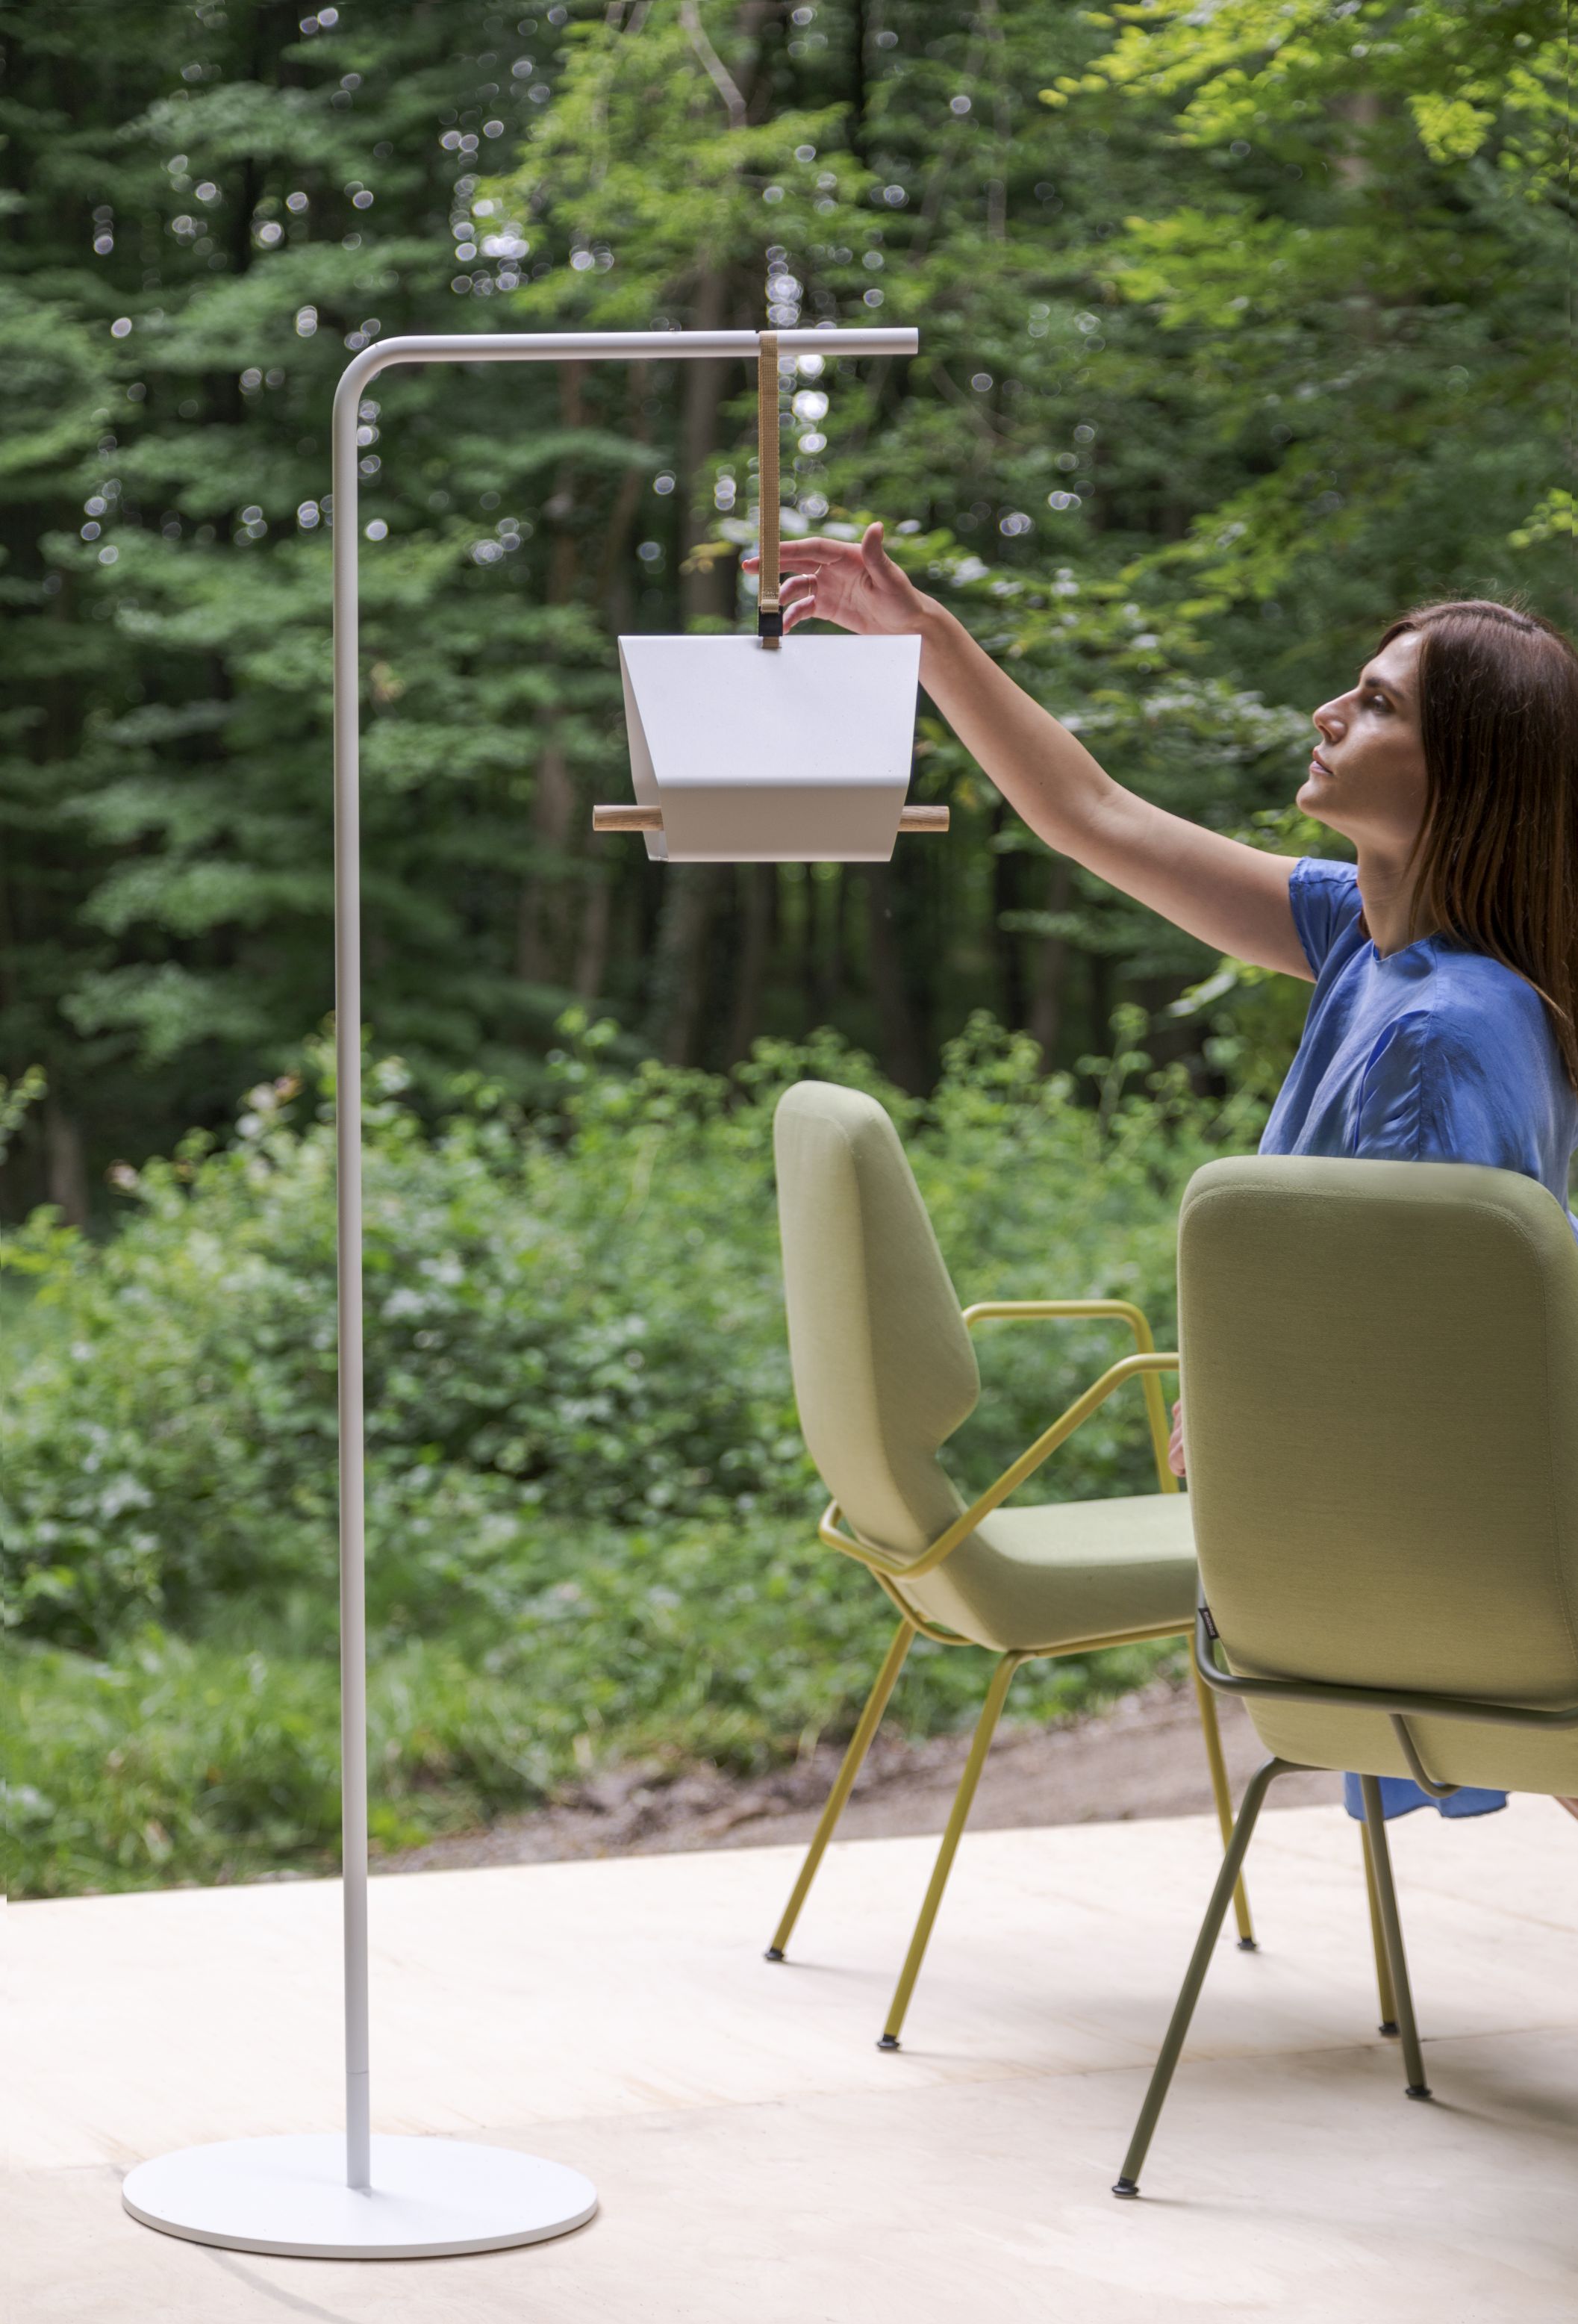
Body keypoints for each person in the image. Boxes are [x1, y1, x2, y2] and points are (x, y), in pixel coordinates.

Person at [747, 525, 1578, 1823]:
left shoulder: (1441, 1031)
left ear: (1463, 772)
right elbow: (1092, 815)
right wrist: (924, 641)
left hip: (1431, 1551)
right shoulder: (1369, 942)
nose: (1328, 710)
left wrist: (1243, 1424)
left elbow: (1430, 1379)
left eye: (1375, 704)